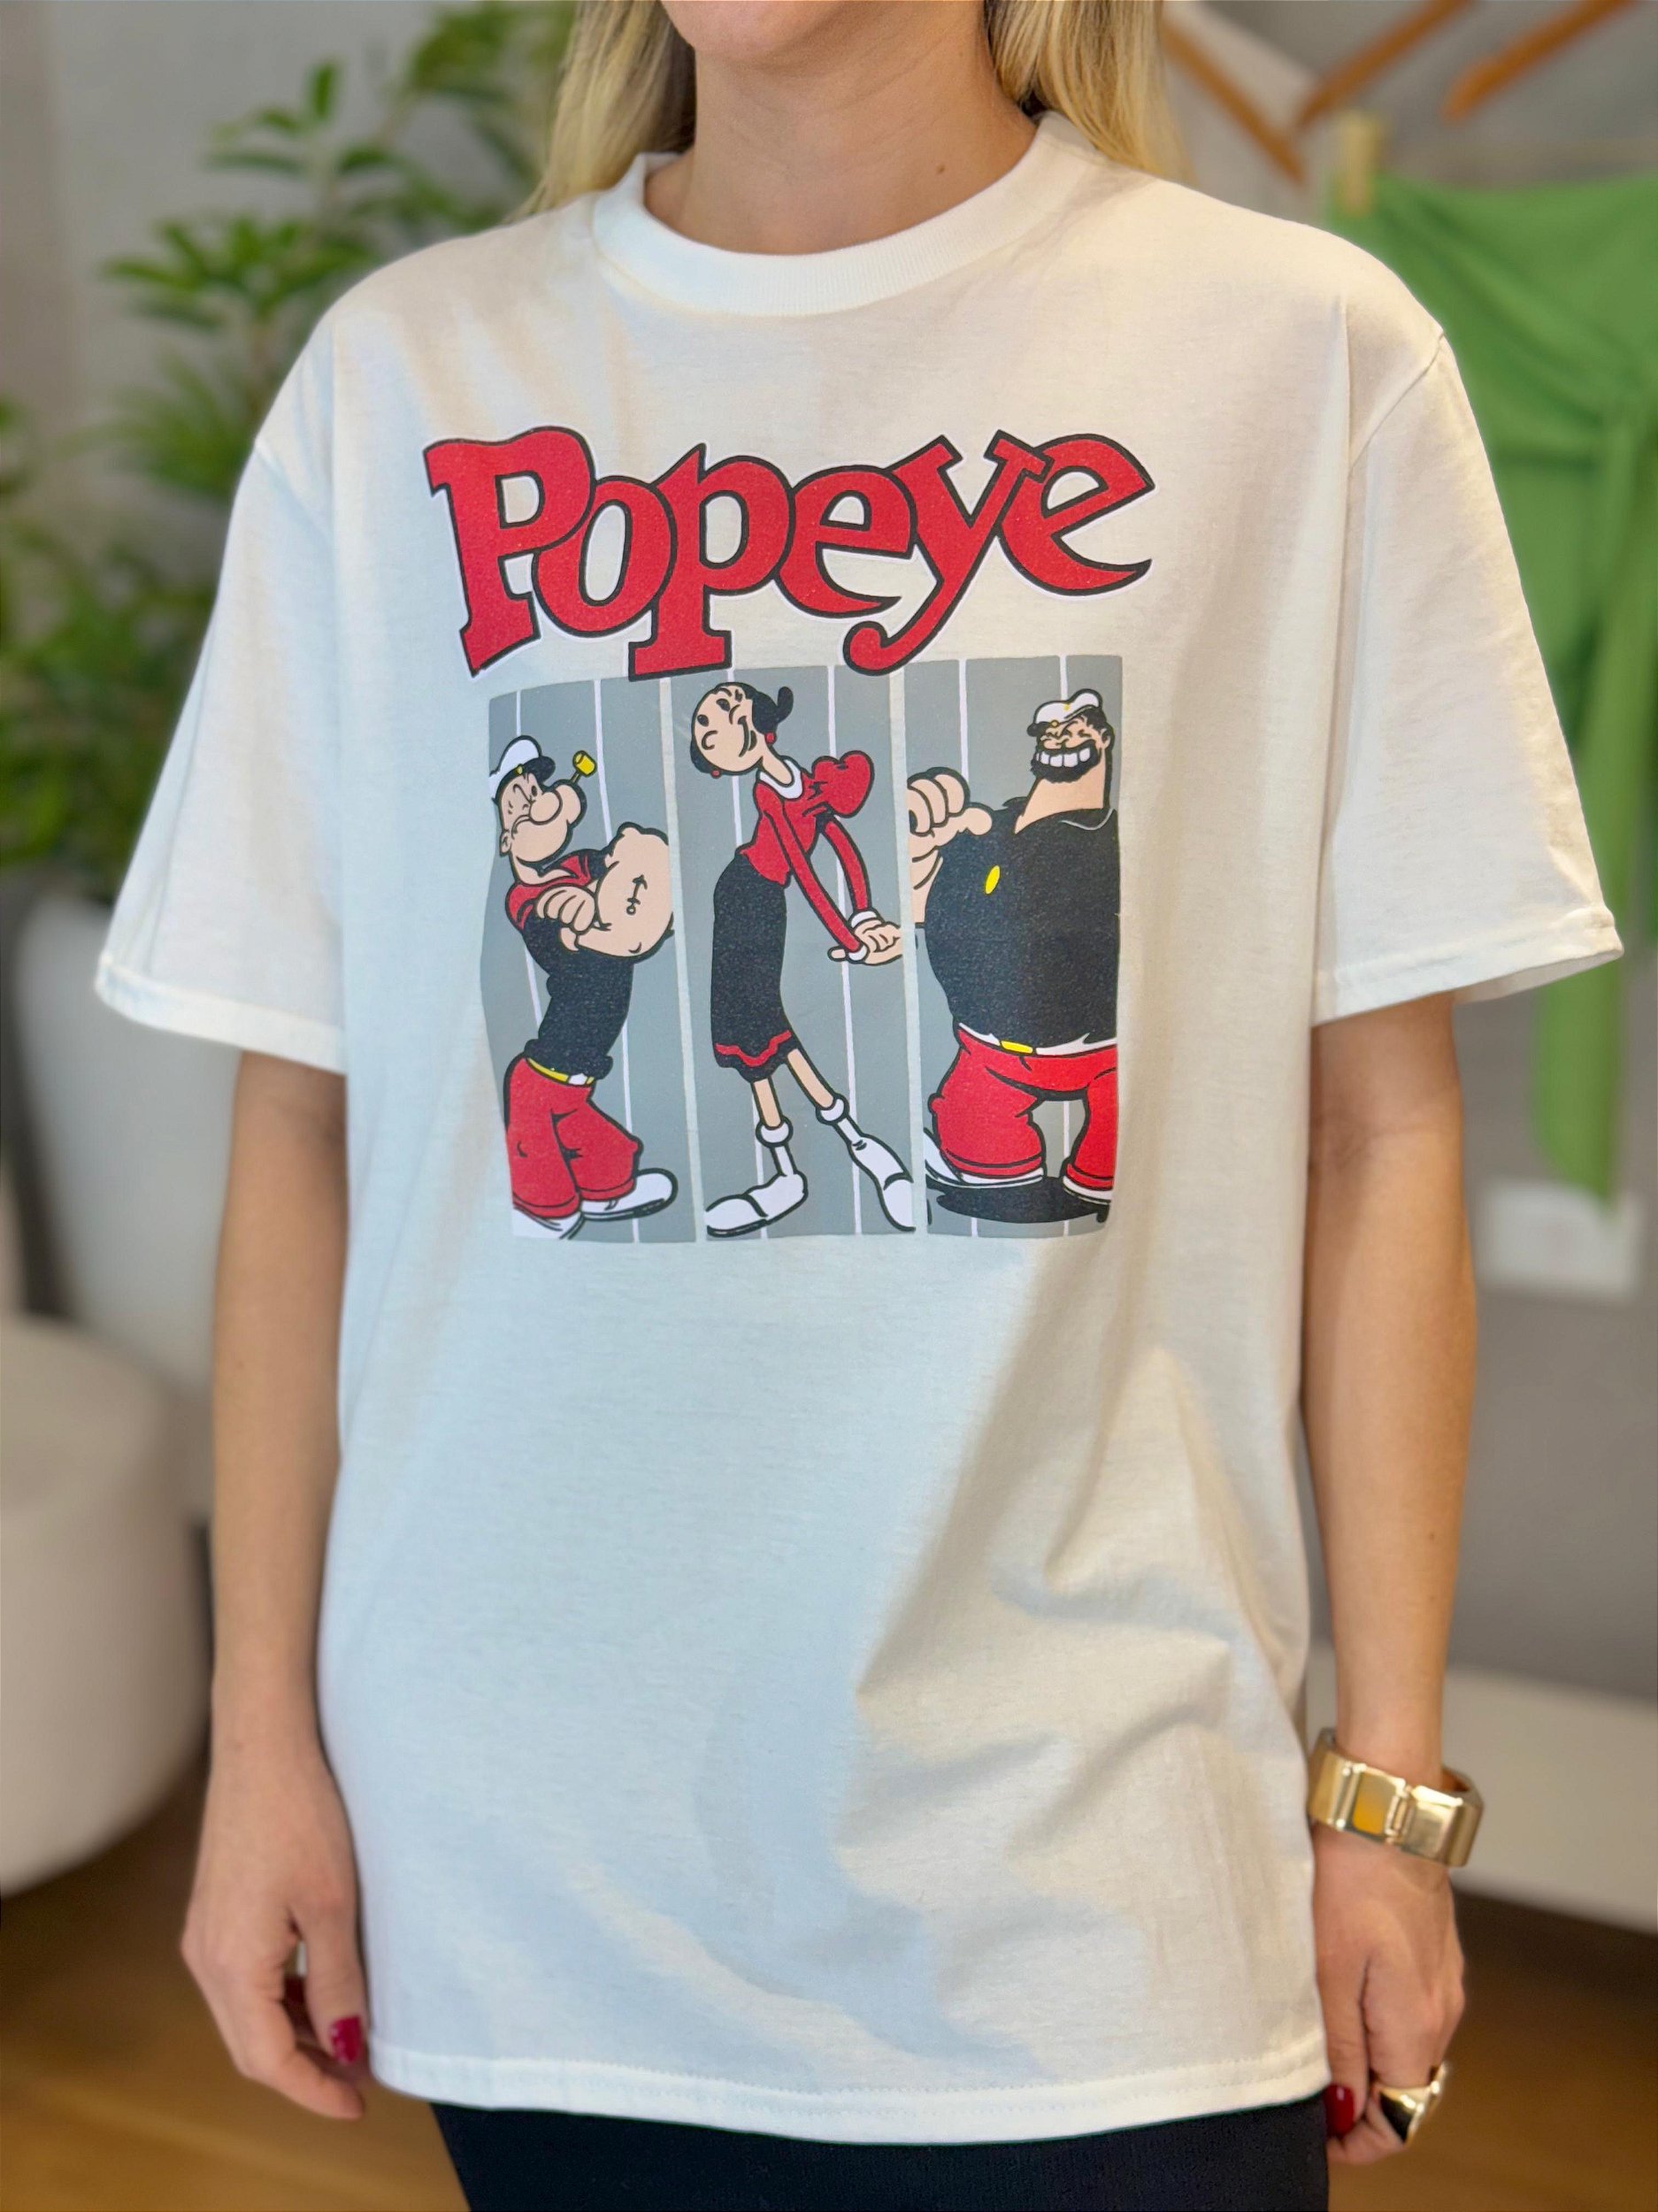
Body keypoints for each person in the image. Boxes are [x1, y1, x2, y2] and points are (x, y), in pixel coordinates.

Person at [94, 4, 1620, 2209]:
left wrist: (1382, 1793)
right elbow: (304, 1128)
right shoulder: (399, 379)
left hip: (1094, 1851)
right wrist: (265, 1748)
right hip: (535, 1850)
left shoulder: (1297, 357)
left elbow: (1373, 1139)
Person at [688, 678, 912, 1235]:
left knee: (763, 1026)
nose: (714, 725)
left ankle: (837, 1153)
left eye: (723, 708)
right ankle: (811, 1163)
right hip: (743, 896)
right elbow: (803, 871)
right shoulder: (767, 793)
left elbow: (839, 845)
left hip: (764, 901)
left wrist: (864, 914)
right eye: (705, 729)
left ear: (759, 720)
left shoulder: (802, 779)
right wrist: (851, 939)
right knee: (751, 1031)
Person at [910, 687, 1121, 1220]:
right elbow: (928, 903)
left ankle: (1095, 1180)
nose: (1062, 740)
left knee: (1117, 1116)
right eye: (1052, 732)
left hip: (1096, 1045)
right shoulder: (993, 829)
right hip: (990, 1047)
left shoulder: (1101, 838)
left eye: (1077, 730)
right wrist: (923, 858)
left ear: (1103, 739)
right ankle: (996, 1173)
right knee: (971, 1115)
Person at [489, 736, 678, 1237]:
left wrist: (626, 859)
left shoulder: (579, 866)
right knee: (535, 1128)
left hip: (583, 1067)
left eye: (537, 791)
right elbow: (544, 931)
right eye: (521, 808)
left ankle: (607, 1187)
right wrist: (564, 916)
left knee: (582, 1128)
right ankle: (546, 1207)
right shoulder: (527, 895)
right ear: (507, 840)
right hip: (546, 1064)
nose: (539, 803)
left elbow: (618, 861)